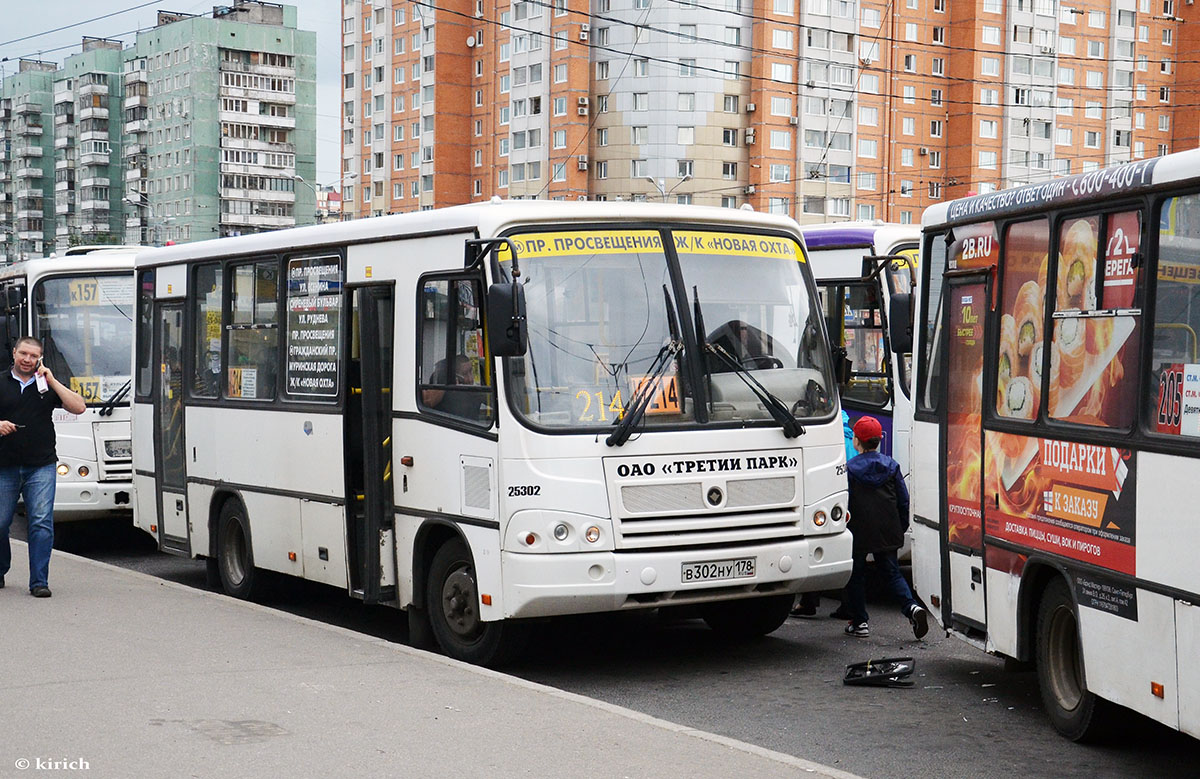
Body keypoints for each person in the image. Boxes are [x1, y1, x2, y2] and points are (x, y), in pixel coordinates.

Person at [0, 337, 87, 597]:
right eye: (23, 354)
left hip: (41, 465)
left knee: (41, 523)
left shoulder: (46, 385)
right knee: (1, 523)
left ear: (40, 358)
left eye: (33, 356)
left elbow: (79, 407)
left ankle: (39, 581)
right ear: (14, 353)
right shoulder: (1, 382)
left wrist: (51, 380)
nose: (27, 360)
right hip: (5, 466)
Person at [841, 415, 929, 639]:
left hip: (858, 531)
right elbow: (904, 501)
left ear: (856, 441)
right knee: (891, 573)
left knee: (856, 575)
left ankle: (859, 621)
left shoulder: (849, 469)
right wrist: (899, 528)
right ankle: (911, 607)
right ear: (879, 440)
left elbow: (844, 500)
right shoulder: (891, 466)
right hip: (887, 530)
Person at [791, 409, 859, 618]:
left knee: (818, 544)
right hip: (850, 499)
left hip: (828, 498)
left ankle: (809, 602)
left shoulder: (823, 437)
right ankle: (848, 606)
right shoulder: (849, 439)